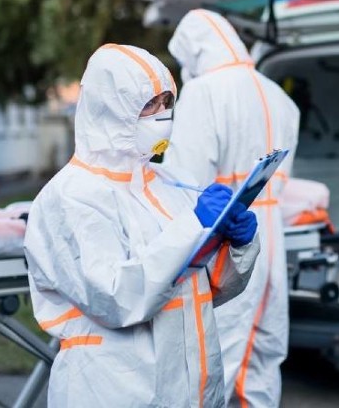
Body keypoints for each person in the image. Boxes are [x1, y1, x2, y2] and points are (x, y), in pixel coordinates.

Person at [24, 43, 260, 408]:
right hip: (112, 390)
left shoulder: (166, 183)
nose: (162, 116)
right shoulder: (72, 197)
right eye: (149, 105)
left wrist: (237, 246)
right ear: (110, 110)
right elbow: (117, 298)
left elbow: (206, 290)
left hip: (190, 391)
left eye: (167, 104)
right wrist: (192, 227)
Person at [165, 9, 300, 408]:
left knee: (213, 360)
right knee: (262, 355)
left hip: (227, 243)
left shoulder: (205, 92)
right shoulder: (277, 94)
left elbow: (184, 182)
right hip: (270, 235)